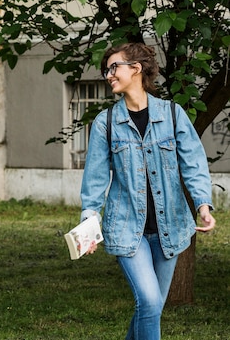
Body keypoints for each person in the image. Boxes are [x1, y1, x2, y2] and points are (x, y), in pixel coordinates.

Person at [80, 42, 216, 340]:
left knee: (151, 308)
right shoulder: (107, 123)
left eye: (113, 67)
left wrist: (203, 205)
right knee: (151, 302)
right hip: (128, 230)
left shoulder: (172, 114)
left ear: (136, 69)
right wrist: (88, 226)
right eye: (106, 70)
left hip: (171, 228)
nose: (108, 75)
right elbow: (94, 182)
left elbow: (193, 163)